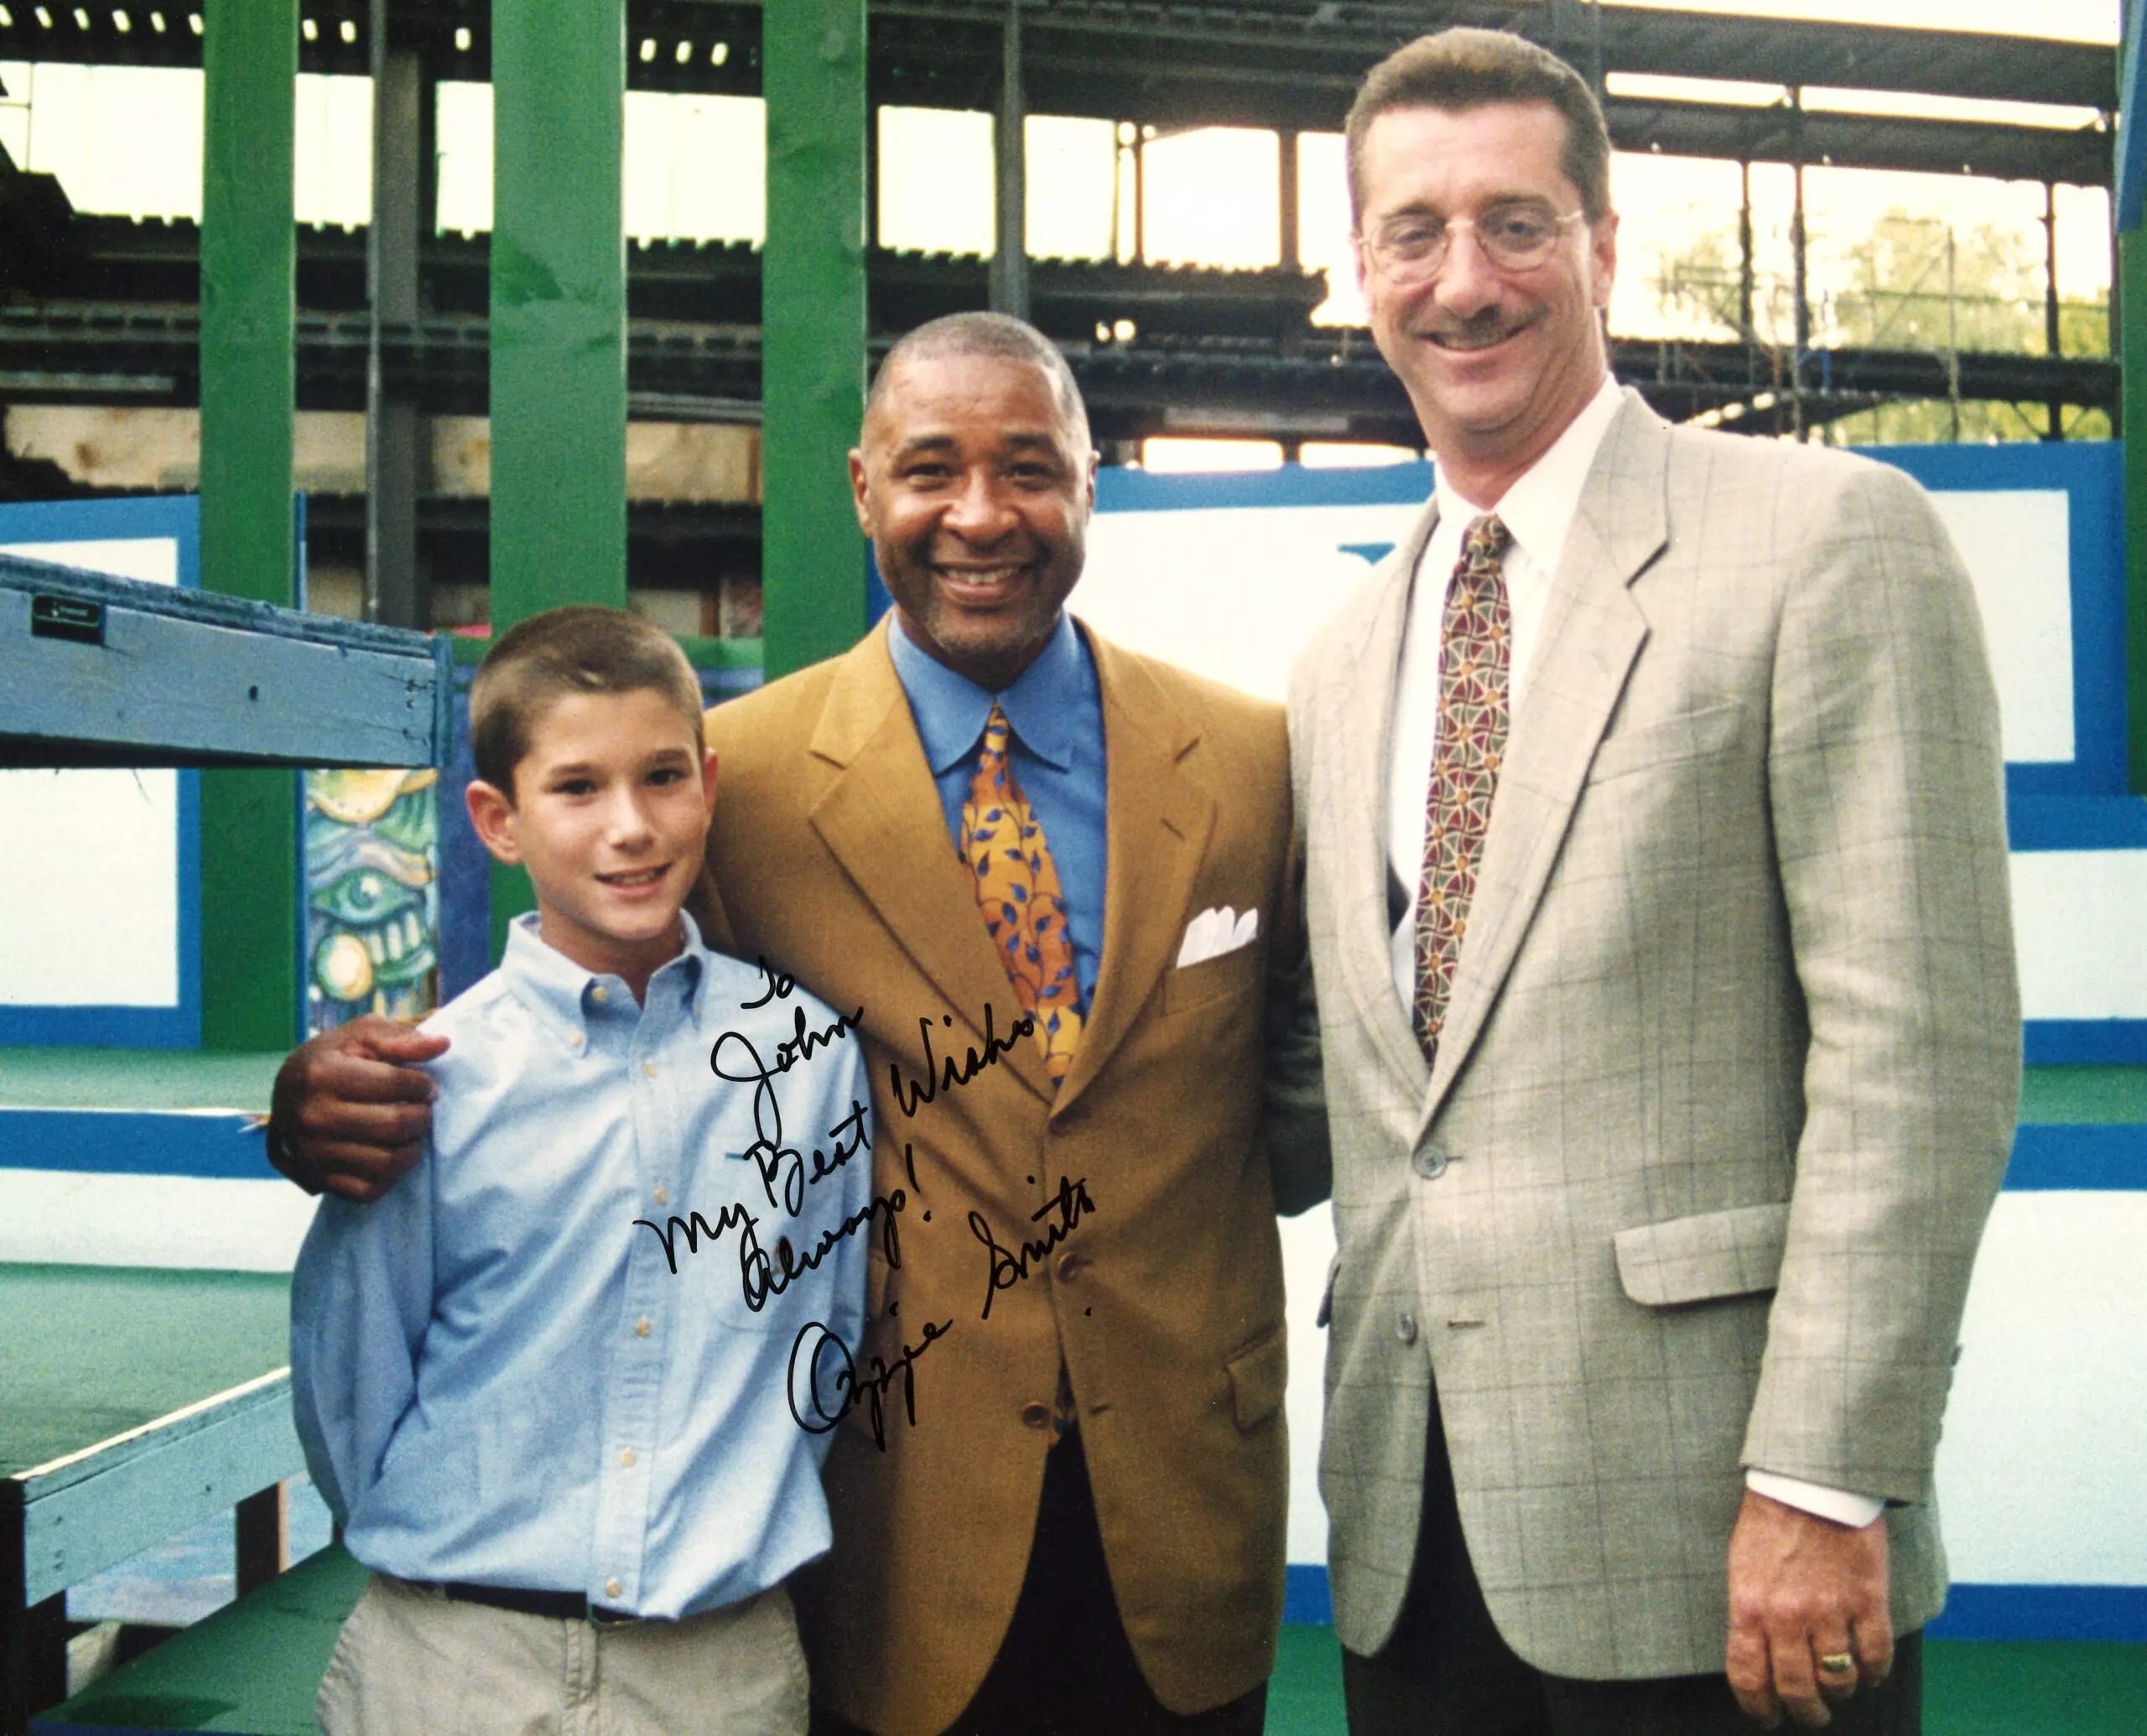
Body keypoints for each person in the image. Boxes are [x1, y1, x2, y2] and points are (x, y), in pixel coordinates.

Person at [270, 313, 1327, 1736]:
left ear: (1092, 475)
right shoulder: (736, 785)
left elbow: (1314, 1087)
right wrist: (314, 1101)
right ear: (860, 489)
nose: (979, 515)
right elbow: (585, 1018)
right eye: (930, 469)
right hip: (894, 1528)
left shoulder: (1253, 758)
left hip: (1188, 1510)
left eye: (1029, 467)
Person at [1278, 28, 2020, 1735]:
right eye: (1411, 234)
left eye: (1513, 224)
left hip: (1725, 1544)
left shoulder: (1826, 540)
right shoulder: (1338, 661)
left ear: (1604, 247)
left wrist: (1824, 1483)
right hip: (1411, 1544)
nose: (1461, 281)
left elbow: (1918, 1060)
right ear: (1360, 272)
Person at [289, 607, 873, 1734]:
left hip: (717, 1671)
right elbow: (349, 1385)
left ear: (707, 783)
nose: (631, 827)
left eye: (662, 777)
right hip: (455, 1660)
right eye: (576, 788)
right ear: (496, 819)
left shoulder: (808, 1060)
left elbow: (826, 1341)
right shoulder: (428, 1079)